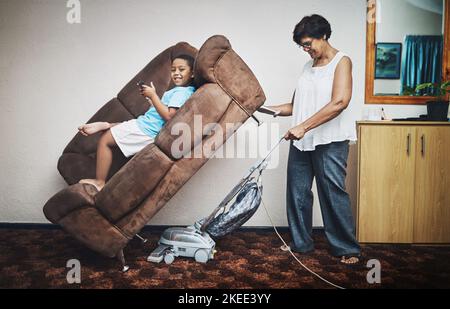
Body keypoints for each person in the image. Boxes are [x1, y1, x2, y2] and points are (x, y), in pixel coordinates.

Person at [260, 15, 361, 265]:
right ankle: (301, 243)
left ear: (323, 35)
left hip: (330, 140)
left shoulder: (342, 61)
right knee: (297, 193)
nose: (306, 50)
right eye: (302, 46)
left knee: (332, 194)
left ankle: (346, 248)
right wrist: (261, 108)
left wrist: (304, 126)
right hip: (302, 141)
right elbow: (296, 106)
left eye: (308, 44)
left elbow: (340, 102)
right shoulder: (308, 67)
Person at [77, 55, 196, 191]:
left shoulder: (182, 92)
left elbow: (170, 116)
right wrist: (152, 99)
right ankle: (106, 125)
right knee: (123, 127)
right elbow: (162, 111)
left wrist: (153, 96)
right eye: (173, 70)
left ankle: (99, 182)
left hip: (148, 129)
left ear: (192, 73)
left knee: (105, 140)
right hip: (147, 124)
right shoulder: (183, 92)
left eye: (181, 69)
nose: (176, 73)